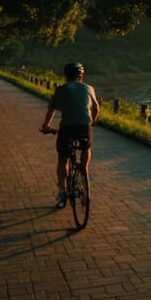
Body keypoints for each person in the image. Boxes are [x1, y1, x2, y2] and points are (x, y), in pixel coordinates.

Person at [40, 62, 100, 208]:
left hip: (67, 128)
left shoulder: (61, 89)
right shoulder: (89, 88)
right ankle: (84, 169)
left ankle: (62, 191)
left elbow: (51, 111)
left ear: (66, 76)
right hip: (84, 126)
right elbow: (96, 109)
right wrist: (91, 123)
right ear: (82, 76)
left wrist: (46, 126)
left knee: (63, 158)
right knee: (86, 147)